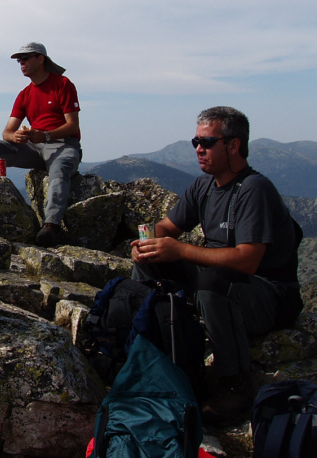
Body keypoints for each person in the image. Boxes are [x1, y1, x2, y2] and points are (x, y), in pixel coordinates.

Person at [130, 106, 303, 425]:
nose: (198, 148)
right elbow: (167, 227)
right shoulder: (204, 187)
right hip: (225, 282)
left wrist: (180, 250)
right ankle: (153, 358)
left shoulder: (253, 189)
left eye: (207, 142)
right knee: (152, 264)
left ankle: (234, 382)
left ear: (233, 145)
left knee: (212, 283)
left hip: (270, 295)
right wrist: (151, 244)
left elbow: (247, 260)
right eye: (195, 141)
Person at [0, 42, 82, 248]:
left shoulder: (63, 84)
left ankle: (51, 226)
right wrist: (16, 137)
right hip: (33, 147)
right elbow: (7, 131)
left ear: (41, 59)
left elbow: (72, 126)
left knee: (59, 168)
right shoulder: (24, 94)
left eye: (25, 58)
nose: (21, 63)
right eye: (19, 60)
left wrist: (45, 136)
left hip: (63, 144)